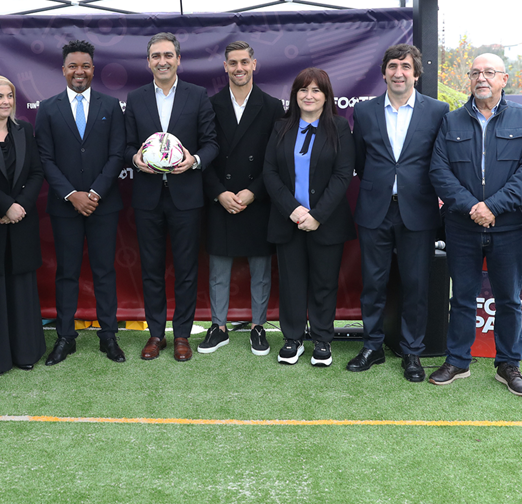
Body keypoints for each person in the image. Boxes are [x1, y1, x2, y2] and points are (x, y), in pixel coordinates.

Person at [428, 54, 522, 394]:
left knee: (508, 298)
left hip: (507, 226)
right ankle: (457, 360)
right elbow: (439, 172)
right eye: (476, 72)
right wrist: (472, 207)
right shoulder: (451, 122)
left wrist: (492, 207)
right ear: (469, 79)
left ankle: (508, 364)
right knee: (462, 297)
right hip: (461, 225)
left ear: (504, 79)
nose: (482, 78)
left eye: (489, 72)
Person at [347, 44, 449, 381]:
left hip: (417, 212)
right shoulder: (364, 112)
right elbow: (360, 162)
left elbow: (439, 160)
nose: (399, 72)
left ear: (416, 74)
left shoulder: (437, 111)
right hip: (375, 210)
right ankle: (373, 346)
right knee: (373, 284)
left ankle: (412, 353)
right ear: (384, 72)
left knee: (416, 285)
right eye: (393, 65)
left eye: (405, 66)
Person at [124, 32, 218, 362]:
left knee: (186, 269)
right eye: (155, 56)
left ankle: (181, 335)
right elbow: (125, 146)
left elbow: (211, 144)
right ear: (148, 62)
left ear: (178, 59)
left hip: (186, 197)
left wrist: (194, 161)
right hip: (148, 197)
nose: (162, 61)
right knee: (150, 268)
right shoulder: (135, 98)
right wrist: (134, 159)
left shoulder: (197, 95)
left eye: (168, 55)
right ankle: (154, 334)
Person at [36, 40, 126, 365]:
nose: (79, 71)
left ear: (93, 68)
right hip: (64, 206)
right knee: (67, 273)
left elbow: (118, 153)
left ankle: (109, 337)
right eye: (73, 66)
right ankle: (65, 337)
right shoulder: (48, 108)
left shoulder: (111, 105)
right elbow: (44, 158)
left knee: (104, 272)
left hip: (104, 204)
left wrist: (95, 193)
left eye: (85, 65)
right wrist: (72, 194)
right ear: (63, 70)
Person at [263, 67, 356, 367]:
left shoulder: (339, 128)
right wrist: (293, 210)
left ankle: (322, 340)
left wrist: (317, 215)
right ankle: (292, 339)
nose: (309, 95)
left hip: (325, 222)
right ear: (295, 94)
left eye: (316, 90)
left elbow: (343, 175)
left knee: (324, 282)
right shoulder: (280, 127)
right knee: (291, 282)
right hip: (287, 219)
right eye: (303, 89)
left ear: (326, 96)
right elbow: (270, 173)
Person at [198, 40, 284, 356]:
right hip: (221, 198)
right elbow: (203, 155)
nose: (239, 68)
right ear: (225, 67)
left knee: (261, 272)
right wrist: (219, 192)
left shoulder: (273, 106)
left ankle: (258, 327)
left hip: (257, 200)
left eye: (244, 62)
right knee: (218, 270)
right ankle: (218, 327)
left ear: (254, 64)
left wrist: (254, 191)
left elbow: (276, 160)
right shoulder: (209, 104)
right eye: (233, 63)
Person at [0, 75, 47, 373]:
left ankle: (25, 352)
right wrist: (4, 205)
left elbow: (37, 173)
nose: (5, 102)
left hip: (21, 224)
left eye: (9, 96)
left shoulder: (24, 129)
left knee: (20, 286)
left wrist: (20, 207)